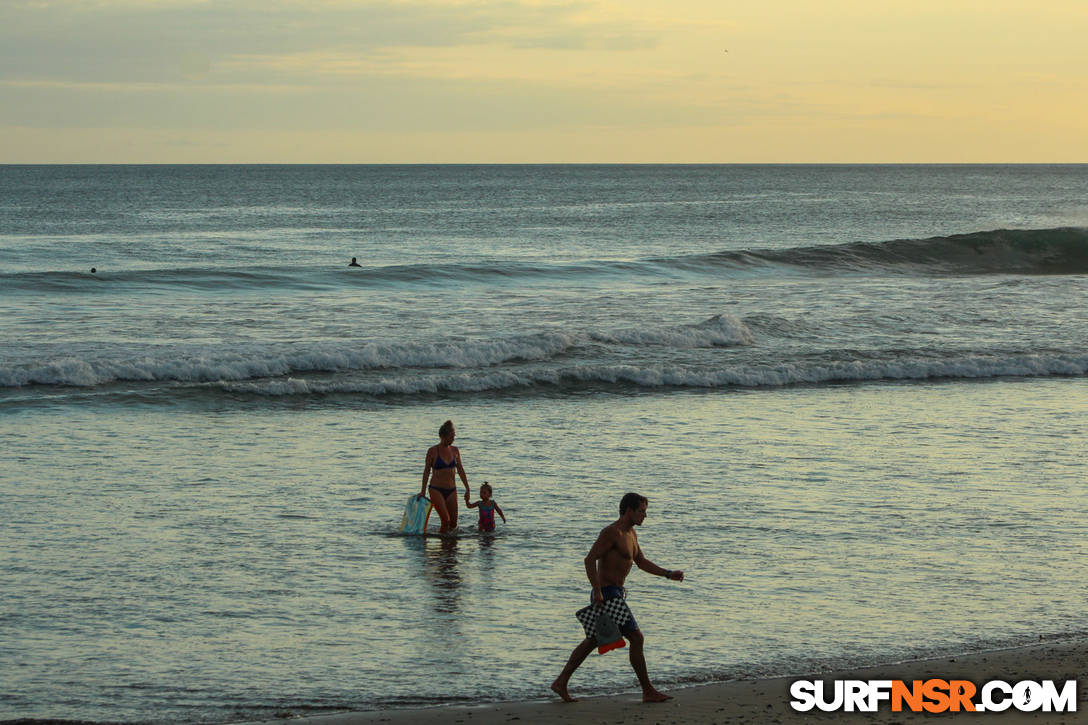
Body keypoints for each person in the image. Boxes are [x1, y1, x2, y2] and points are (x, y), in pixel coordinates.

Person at [551, 492, 684, 704]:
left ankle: (560, 682)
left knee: (593, 640)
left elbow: (641, 562)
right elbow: (589, 560)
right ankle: (648, 691)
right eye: (641, 511)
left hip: (616, 594)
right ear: (629, 510)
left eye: (645, 511)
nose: (645, 516)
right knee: (636, 638)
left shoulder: (632, 535)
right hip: (608, 594)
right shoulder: (612, 533)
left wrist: (667, 574)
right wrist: (596, 590)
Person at [419, 420, 469, 534]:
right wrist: (422, 491)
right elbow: (426, 471)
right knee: (446, 521)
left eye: (454, 436)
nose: (453, 439)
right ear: (443, 436)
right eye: (451, 436)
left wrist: (467, 488)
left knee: (453, 524)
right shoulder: (432, 451)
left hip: (452, 490)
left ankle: (448, 549)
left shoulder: (455, 450)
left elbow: (460, 470)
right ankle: (442, 544)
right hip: (436, 489)